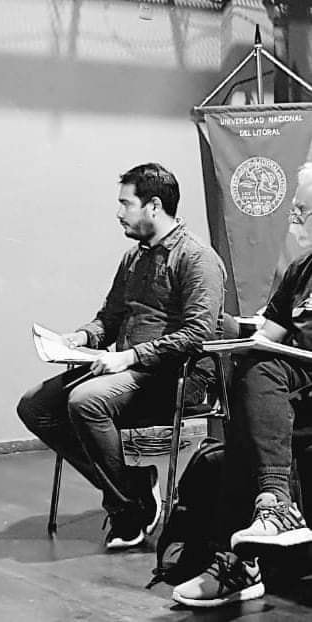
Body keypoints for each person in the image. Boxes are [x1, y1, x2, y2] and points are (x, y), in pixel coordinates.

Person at [17, 162, 226, 549]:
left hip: (178, 377)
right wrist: (80, 337)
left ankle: (129, 509)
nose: (119, 213)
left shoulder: (198, 258)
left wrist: (130, 357)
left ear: (154, 206)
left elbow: (198, 333)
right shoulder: (133, 258)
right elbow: (110, 319)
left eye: (126, 203)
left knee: (86, 401)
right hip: (126, 372)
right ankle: (133, 487)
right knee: (35, 406)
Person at [172, 163, 312, 608]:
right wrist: (231, 333)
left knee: (260, 378)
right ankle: (267, 515)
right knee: (251, 369)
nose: (294, 219)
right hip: (295, 383)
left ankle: (240, 561)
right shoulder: (301, 270)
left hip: (301, 379)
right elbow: (268, 336)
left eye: (303, 211)